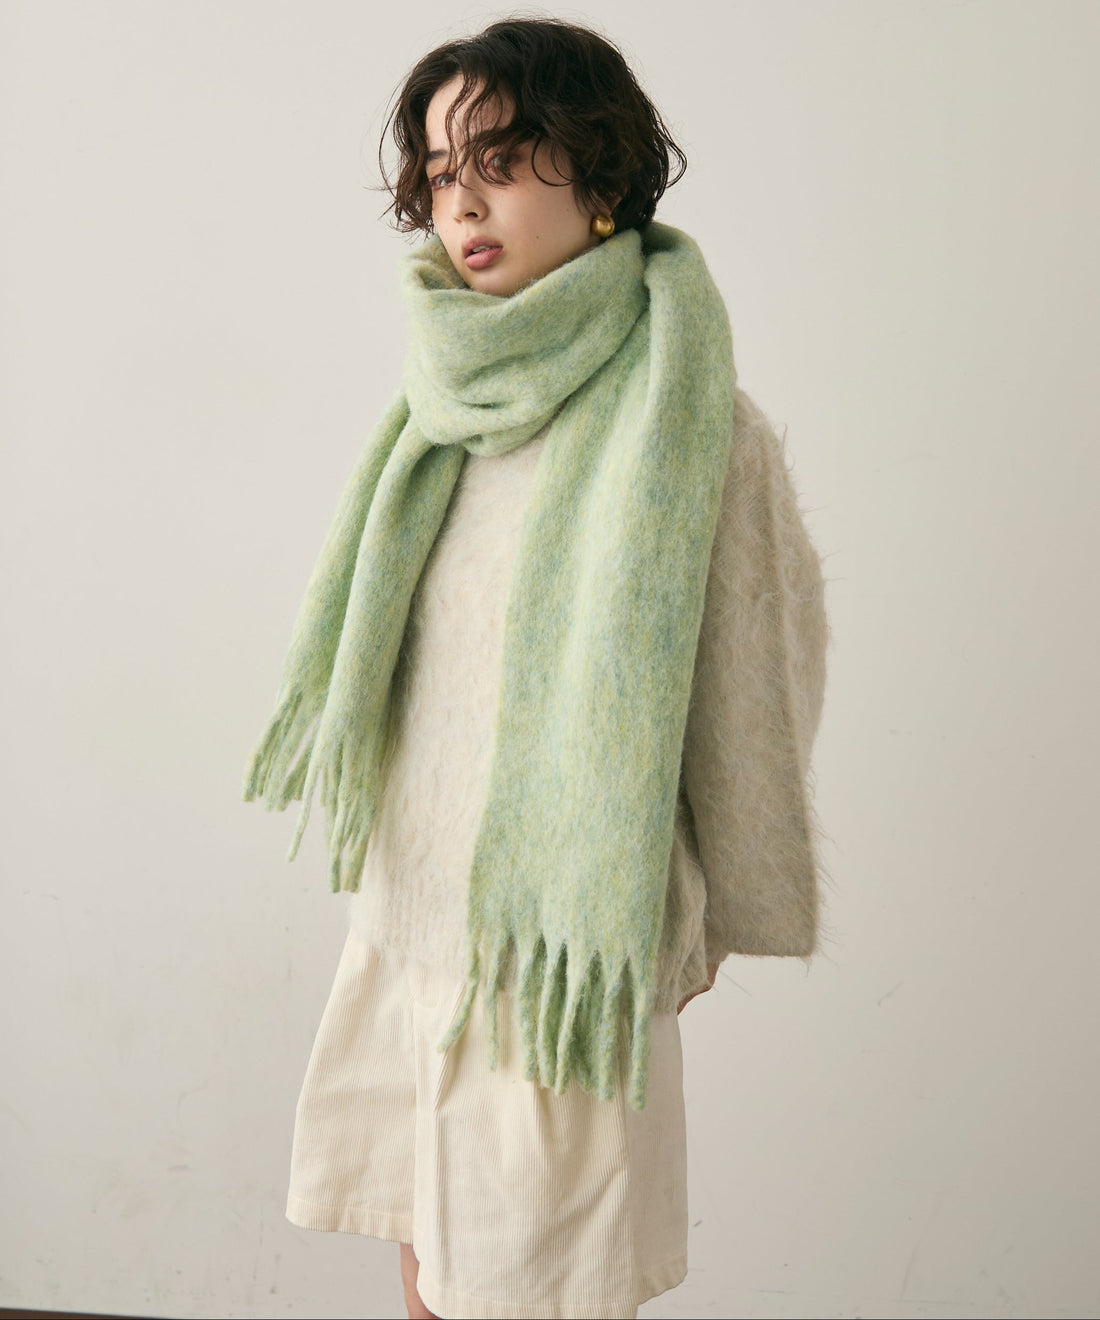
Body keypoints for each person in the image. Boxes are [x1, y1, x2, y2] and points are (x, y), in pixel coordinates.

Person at [242, 16, 830, 1320]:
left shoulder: (695, 427)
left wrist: (705, 914)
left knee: (533, 1295)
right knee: (423, 1273)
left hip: (554, 956)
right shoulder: (439, 412)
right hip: (409, 929)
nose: (463, 205)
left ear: (601, 175)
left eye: (501, 164)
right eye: (441, 174)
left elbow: (761, 688)